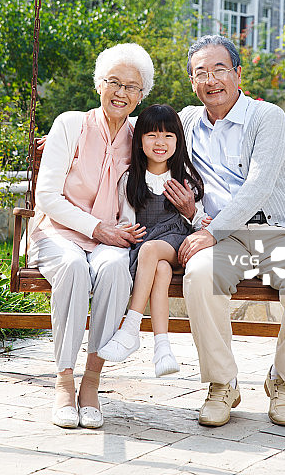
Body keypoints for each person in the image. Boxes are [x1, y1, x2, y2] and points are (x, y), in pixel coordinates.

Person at [166, 35, 285, 429]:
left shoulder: (267, 117)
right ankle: (222, 383)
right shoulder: (187, 120)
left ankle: (284, 381)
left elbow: (258, 185)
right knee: (200, 276)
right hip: (221, 236)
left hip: (276, 232)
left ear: (238, 74)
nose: (211, 80)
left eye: (220, 70)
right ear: (192, 81)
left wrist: (212, 230)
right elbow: (138, 130)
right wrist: (72, 132)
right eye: (201, 73)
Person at [27, 43, 154, 429]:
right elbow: (46, 196)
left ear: (141, 95)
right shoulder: (70, 124)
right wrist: (97, 228)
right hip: (58, 233)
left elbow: (139, 189)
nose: (121, 92)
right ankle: (64, 382)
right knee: (72, 268)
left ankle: (92, 382)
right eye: (114, 82)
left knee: (116, 268)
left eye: (132, 87)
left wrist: (123, 228)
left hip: (108, 240)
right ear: (98, 84)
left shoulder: (139, 137)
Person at [98, 104, 208, 377]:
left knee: (152, 250)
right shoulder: (130, 180)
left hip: (178, 244)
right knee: (158, 267)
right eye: (152, 135)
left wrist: (193, 214)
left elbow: (200, 221)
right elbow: (126, 220)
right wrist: (127, 231)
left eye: (168, 136)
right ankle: (163, 348)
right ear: (140, 140)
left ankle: (131, 326)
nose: (160, 142)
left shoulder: (186, 179)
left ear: (178, 141)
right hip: (149, 250)